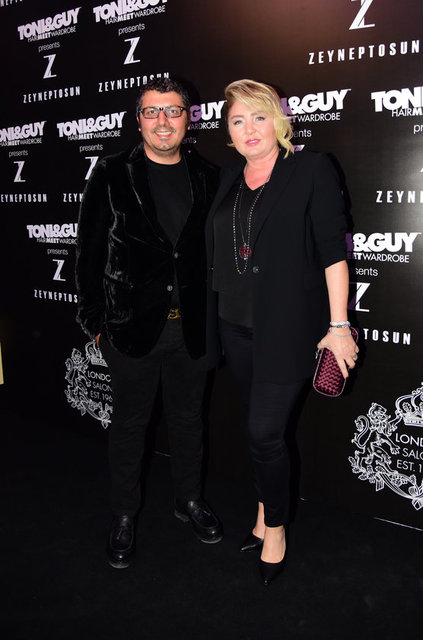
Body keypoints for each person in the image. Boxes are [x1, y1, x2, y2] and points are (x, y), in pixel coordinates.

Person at [205, 79, 358, 585]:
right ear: (228, 131)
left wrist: (339, 326)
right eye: (237, 120)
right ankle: (261, 509)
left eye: (258, 116)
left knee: (263, 433)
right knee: (258, 430)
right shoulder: (228, 176)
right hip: (233, 326)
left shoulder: (310, 169)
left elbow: (333, 252)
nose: (249, 128)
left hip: (288, 330)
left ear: (279, 120)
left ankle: (275, 530)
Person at [75, 77, 223, 569]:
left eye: (173, 110)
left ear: (188, 118)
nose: (163, 121)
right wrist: (96, 324)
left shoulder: (209, 175)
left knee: (188, 420)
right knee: (129, 426)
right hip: (130, 330)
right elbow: (88, 253)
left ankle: (189, 499)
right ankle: (123, 514)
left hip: (193, 331)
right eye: (152, 111)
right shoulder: (112, 172)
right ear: (137, 119)